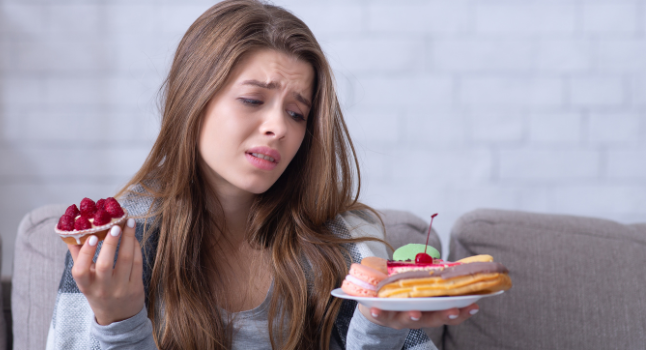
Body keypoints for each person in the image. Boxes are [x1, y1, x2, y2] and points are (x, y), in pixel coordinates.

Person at [46, 1, 477, 349]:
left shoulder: (347, 241)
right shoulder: (115, 240)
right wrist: (119, 323)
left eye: (296, 113)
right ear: (194, 99)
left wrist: (379, 331)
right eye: (253, 100)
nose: (280, 127)